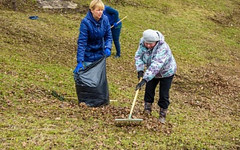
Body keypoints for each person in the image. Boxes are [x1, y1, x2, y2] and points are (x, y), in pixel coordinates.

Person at [135, 29, 177, 124]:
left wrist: (145, 79)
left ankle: (162, 115)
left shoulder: (163, 48)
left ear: (156, 42)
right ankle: (147, 110)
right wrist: (140, 70)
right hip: (152, 72)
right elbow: (138, 57)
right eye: (147, 43)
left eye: (151, 44)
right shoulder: (142, 44)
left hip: (166, 72)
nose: (148, 45)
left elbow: (156, 65)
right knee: (149, 90)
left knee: (164, 94)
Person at [73, 0, 112, 73]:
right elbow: (82, 42)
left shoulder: (105, 20)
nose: (100, 12)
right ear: (92, 10)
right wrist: (80, 61)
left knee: (99, 80)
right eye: (98, 10)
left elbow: (108, 36)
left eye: (102, 10)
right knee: (90, 80)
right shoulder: (85, 23)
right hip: (88, 56)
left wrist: (108, 47)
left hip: (100, 55)